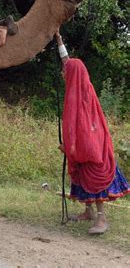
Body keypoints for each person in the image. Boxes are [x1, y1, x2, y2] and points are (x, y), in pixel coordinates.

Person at [55, 31, 129, 235]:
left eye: (65, 71)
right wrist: (59, 40)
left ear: (72, 75)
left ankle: (101, 218)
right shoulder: (79, 85)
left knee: (93, 180)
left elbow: (86, 135)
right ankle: (87, 212)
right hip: (84, 149)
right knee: (81, 178)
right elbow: (69, 63)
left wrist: (71, 150)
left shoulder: (82, 97)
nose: (63, 73)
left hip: (93, 150)